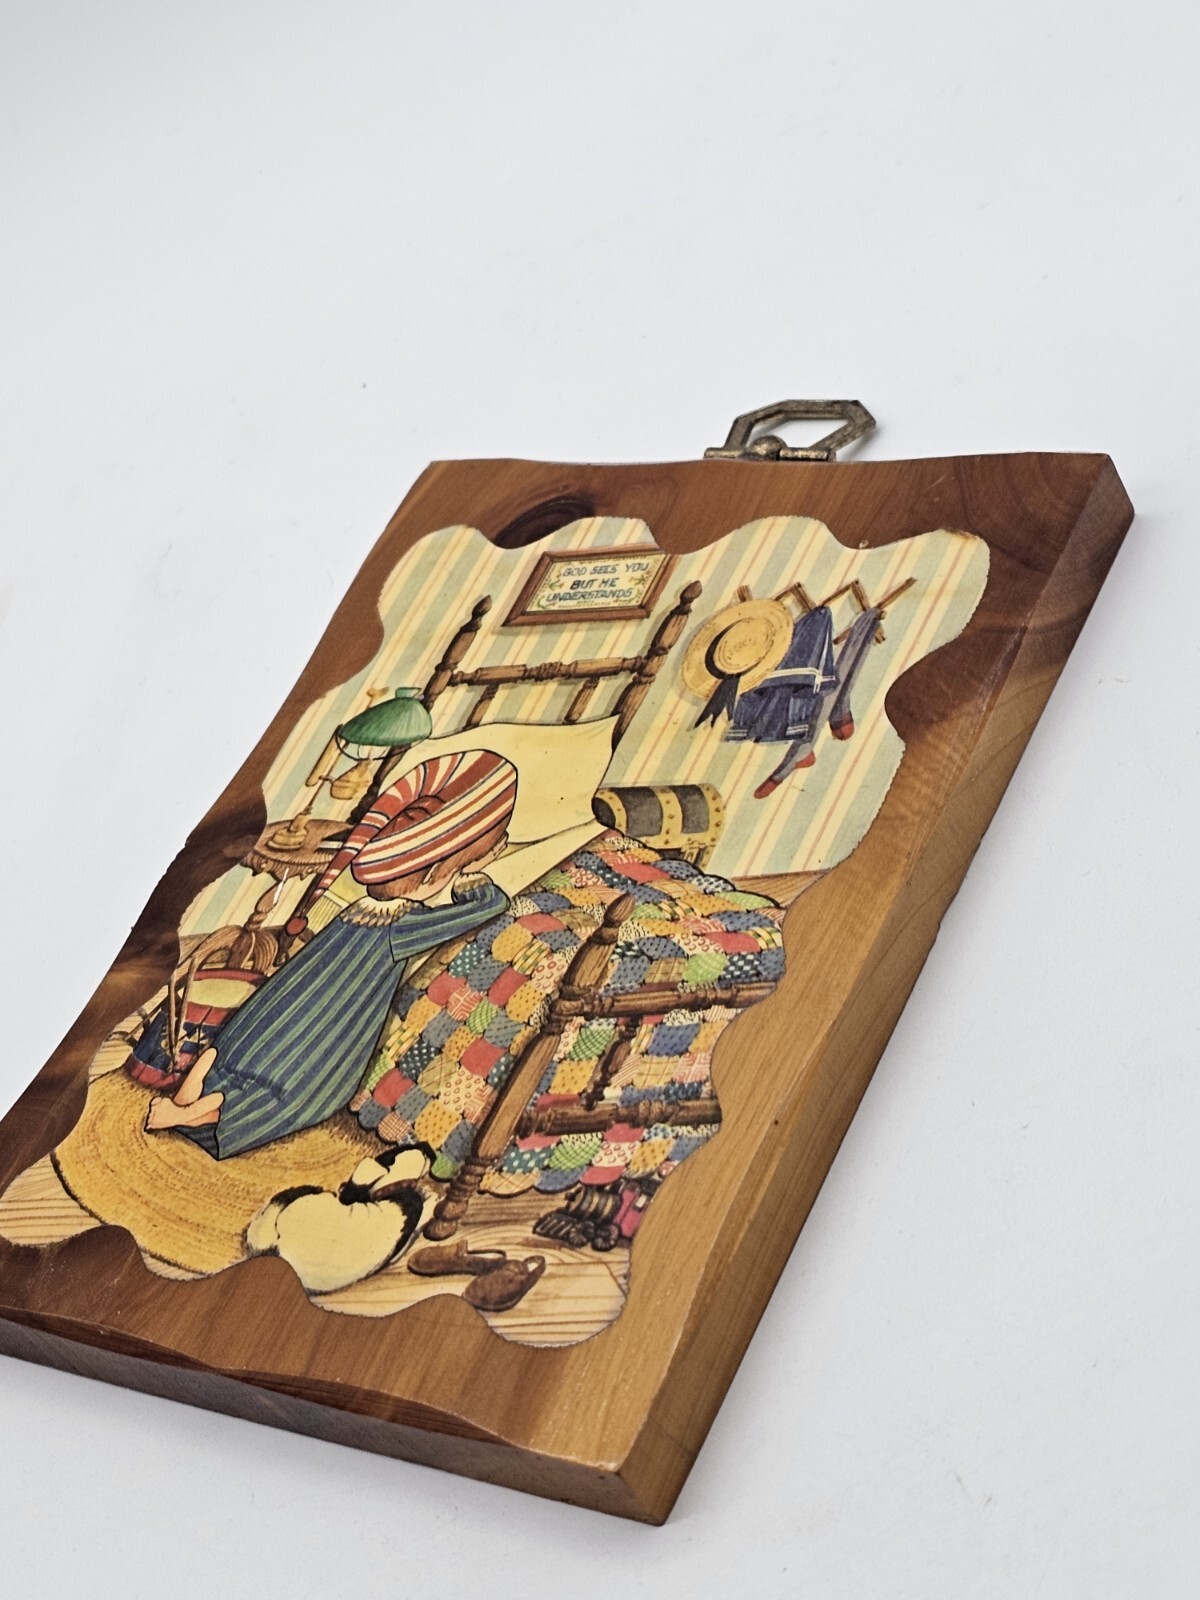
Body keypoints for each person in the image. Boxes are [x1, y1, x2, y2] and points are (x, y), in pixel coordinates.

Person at [145, 748, 517, 1159]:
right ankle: (189, 1114)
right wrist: (472, 878)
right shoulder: (402, 926)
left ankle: (193, 1091)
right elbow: (487, 906)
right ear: (432, 870)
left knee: (242, 1048)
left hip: (280, 1009)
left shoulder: (357, 909)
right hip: (324, 1025)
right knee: (303, 1087)